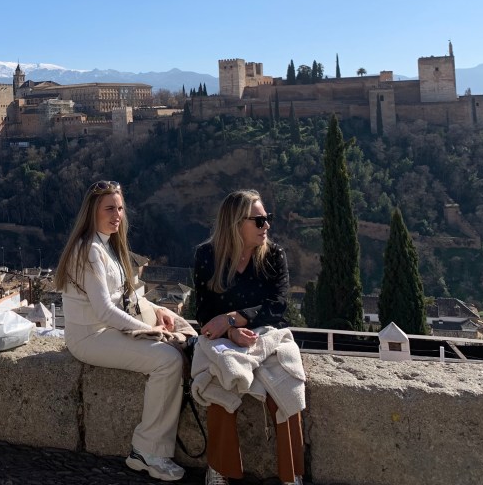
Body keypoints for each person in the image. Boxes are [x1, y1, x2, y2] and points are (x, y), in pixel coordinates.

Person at [54, 180, 186, 482]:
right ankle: (147, 452)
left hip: (106, 329)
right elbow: (103, 310)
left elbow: (126, 294)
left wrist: (160, 311)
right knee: (168, 360)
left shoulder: (107, 244)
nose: (118, 215)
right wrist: (148, 331)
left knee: (181, 328)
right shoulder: (89, 250)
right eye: (110, 208)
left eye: (121, 208)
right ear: (93, 212)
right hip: (90, 336)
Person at [192, 189, 305, 485]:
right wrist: (230, 331)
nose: (266, 225)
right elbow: (204, 313)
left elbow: (279, 306)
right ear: (235, 224)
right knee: (219, 379)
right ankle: (219, 468)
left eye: (267, 219)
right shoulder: (207, 256)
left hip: (267, 335)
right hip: (226, 338)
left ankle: (292, 474)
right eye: (259, 220)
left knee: (287, 384)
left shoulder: (274, 256)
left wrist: (233, 318)